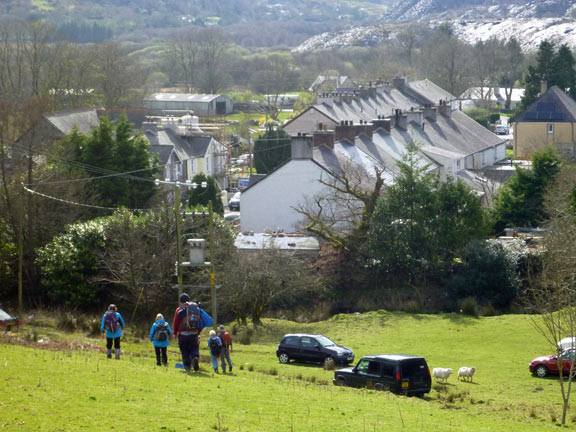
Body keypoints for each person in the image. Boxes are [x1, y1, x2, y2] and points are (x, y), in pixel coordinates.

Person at [172, 293, 213, 372]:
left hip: (183, 334)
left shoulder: (179, 309)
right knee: (194, 348)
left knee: (184, 350)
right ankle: (195, 357)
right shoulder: (196, 309)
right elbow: (200, 322)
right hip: (193, 333)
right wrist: (198, 333)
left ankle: (187, 366)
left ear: (181, 301)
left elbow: (176, 322)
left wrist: (175, 333)